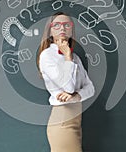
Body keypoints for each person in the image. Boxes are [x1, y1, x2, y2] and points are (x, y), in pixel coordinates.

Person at [37, 12, 95, 152]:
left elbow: (91, 88)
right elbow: (67, 87)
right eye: (56, 25)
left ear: (71, 30)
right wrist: (68, 57)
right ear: (50, 30)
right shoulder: (47, 56)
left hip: (76, 120)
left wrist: (76, 96)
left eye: (66, 25)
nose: (62, 28)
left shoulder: (75, 58)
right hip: (62, 121)